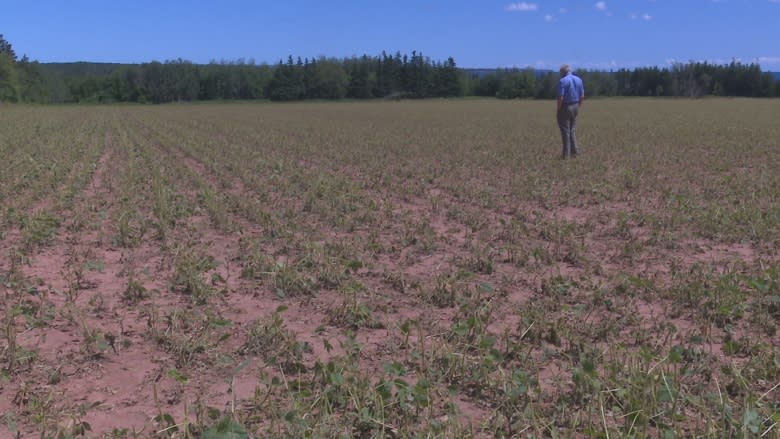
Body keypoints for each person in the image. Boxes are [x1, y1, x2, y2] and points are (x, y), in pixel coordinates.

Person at [556, 65, 585, 159]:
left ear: (563, 72)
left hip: (566, 107)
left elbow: (560, 97)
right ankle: (575, 152)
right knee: (572, 130)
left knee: (565, 131)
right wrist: (578, 107)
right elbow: (582, 96)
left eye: (560, 73)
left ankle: (566, 155)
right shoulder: (579, 80)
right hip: (576, 105)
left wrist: (559, 109)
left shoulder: (563, 81)